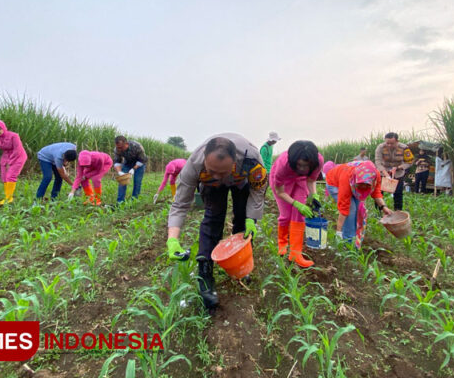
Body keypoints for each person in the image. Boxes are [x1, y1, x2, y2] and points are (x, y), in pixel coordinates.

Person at [166, 133, 267, 312]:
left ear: (235, 161)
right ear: (204, 160)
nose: (218, 176)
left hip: (240, 182)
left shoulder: (251, 160)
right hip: (209, 186)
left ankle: (241, 266)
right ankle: (205, 273)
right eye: (212, 170)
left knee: (242, 221)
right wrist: (172, 239)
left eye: (222, 172)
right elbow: (180, 204)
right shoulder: (193, 165)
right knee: (213, 219)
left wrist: (252, 219)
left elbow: (257, 191)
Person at [270, 140, 323, 267]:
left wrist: (314, 194)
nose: (303, 168)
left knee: (299, 215)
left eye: (306, 166)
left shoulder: (318, 161)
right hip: (283, 183)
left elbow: (310, 180)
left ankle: (295, 253)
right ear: (294, 162)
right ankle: (282, 244)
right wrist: (297, 204)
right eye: (300, 165)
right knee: (286, 215)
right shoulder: (283, 165)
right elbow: (280, 192)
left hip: (301, 180)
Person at [326, 160, 392, 248]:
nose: (364, 187)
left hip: (352, 183)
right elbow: (344, 208)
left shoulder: (375, 175)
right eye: (361, 185)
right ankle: (348, 243)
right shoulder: (347, 177)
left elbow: (376, 192)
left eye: (367, 185)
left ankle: (355, 239)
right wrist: (338, 231)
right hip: (334, 183)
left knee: (358, 211)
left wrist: (384, 207)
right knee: (351, 209)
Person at [374, 132, 414, 210]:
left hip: (398, 173)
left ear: (397, 141)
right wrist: (385, 174)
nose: (389, 145)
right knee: (379, 193)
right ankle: (379, 211)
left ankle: (398, 211)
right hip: (383, 172)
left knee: (398, 193)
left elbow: (410, 162)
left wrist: (400, 167)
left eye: (391, 143)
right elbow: (378, 162)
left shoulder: (404, 148)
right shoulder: (380, 147)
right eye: (387, 143)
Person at [113, 136, 148, 203]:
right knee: (122, 181)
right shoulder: (117, 149)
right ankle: (120, 202)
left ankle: (134, 200)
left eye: (121, 147)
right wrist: (120, 172)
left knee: (137, 182)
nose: (119, 149)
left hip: (139, 163)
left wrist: (133, 169)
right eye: (118, 147)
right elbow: (117, 162)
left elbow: (142, 160)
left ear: (126, 144)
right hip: (127, 163)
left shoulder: (137, 146)